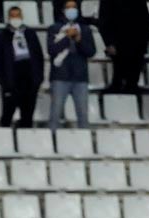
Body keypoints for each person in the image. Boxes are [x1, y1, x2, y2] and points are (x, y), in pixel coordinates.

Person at [0, 6, 44, 127]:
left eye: (17, 16)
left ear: (22, 17)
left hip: (29, 80)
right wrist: (2, 81)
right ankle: (5, 141)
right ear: (8, 18)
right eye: (13, 16)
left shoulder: (30, 34)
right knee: (7, 115)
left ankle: (25, 141)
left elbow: (38, 56)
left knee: (27, 116)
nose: (15, 18)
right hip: (11, 80)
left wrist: (38, 79)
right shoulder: (0, 36)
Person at [48, 0, 95, 131]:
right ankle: (52, 144)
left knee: (83, 116)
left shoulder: (85, 30)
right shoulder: (54, 28)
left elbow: (91, 51)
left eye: (74, 7)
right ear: (63, 10)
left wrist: (79, 40)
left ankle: (85, 145)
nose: (71, 10)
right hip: (60, 76)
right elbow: (51, 50)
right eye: (68, 7)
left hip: (80, 77)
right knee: (55, 114)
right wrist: (66, 38)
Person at [99, 0, 149, 93]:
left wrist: (145, 41)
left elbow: (145, 19)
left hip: (137, 42)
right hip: (117, 42)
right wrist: (109, 42)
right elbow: (104, 21)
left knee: (133, 81)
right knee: (118, 79)